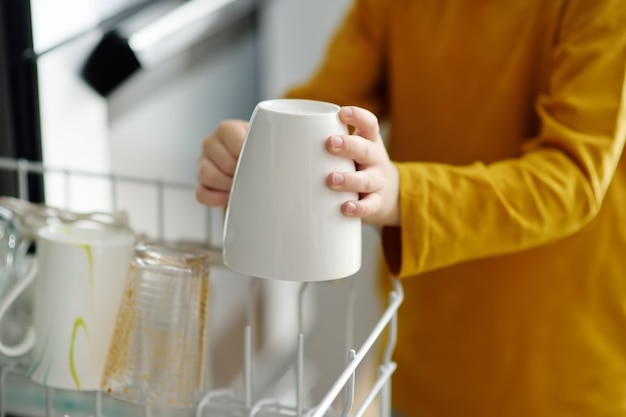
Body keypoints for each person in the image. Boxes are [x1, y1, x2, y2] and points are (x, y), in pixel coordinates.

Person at [196, 0, 626, 416]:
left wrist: (403, 193)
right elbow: (329, 114)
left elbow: (571, 178)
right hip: (426, 358)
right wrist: (257, 153)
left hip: (568, 375)